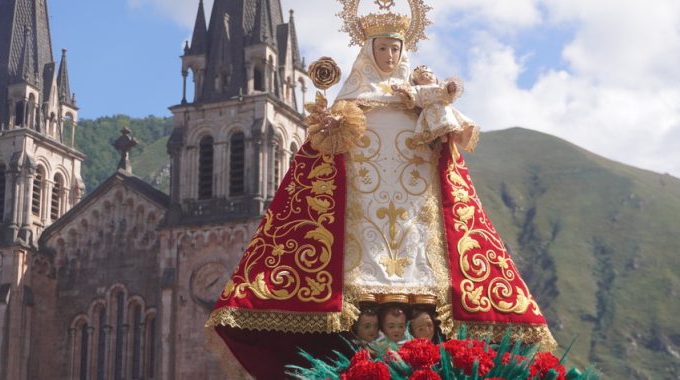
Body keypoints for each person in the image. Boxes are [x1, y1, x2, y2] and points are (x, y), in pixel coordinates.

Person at [206, 3, 555, 378]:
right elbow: (320, 166)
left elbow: (450, 144)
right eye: (383, 48)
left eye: (395, 49)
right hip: (360, 230)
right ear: (368, 52)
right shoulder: (349, 106)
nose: (389, 55)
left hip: (417, 224)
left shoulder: (417, 103)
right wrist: (330, 128)